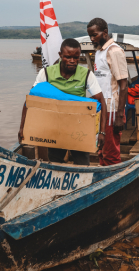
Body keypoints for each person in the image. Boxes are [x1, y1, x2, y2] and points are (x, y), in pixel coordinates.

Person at [18, 38, 107, 166]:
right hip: (54, 127)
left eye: (76, 58)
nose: (72, 61)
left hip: (79, 128)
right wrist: (22, 128)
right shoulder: (46, 73)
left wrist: (102, 132)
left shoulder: (86, 74)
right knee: (55, 163)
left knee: (82, 164)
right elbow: (30, 101)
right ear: (60, 55)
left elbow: (101, 102)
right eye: (67, 57)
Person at [87, 18, 128, 166]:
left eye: (95, 35)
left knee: (110, 151)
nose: (92, 39)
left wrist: (120, 115)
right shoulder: (99, 52)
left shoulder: (115, 51)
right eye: (90, 36)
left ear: (105, 32)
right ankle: (101, 172)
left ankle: (112, 178)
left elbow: (123, 85)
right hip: (100, 108)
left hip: (111, 109)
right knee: (101, 146)